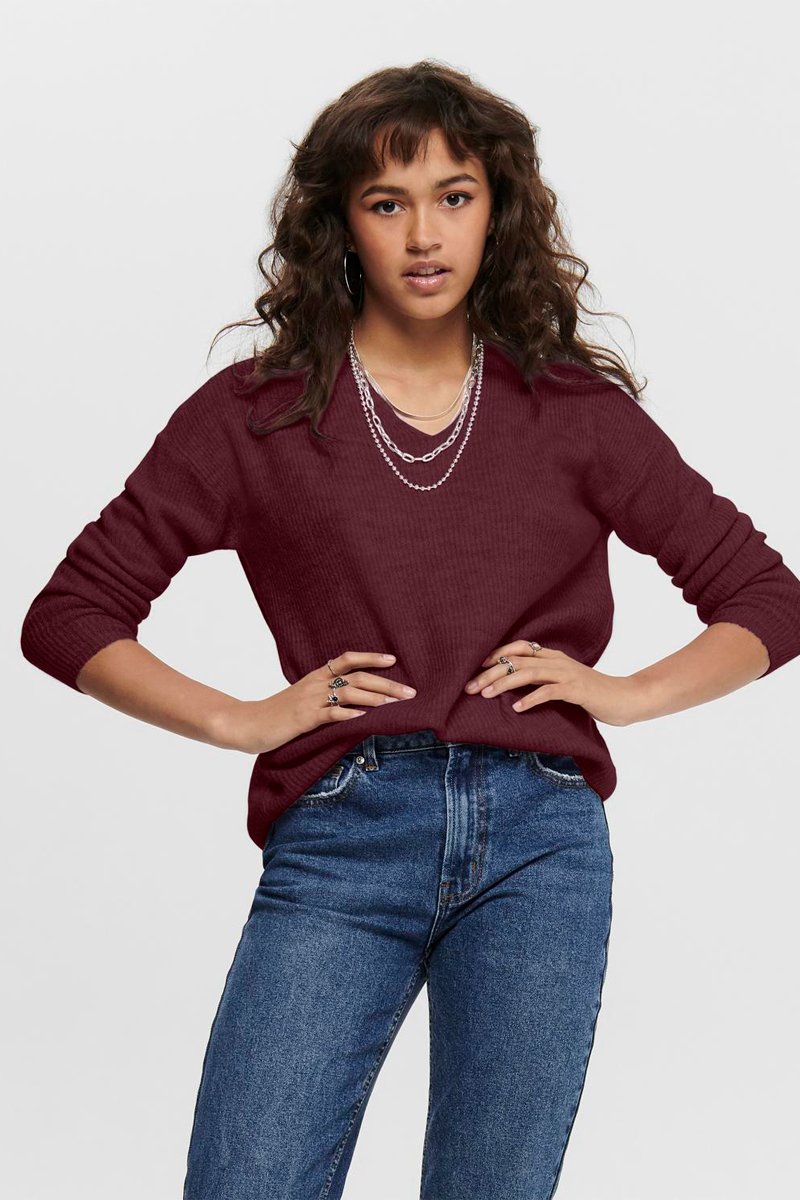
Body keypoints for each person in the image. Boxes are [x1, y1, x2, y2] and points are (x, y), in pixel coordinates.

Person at [19, 60, 800, 1200]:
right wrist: (242, 720)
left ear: (497, 211)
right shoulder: (257, 415)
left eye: (454, 196)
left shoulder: (573, 411)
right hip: (342, 831)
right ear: (341, 222)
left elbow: (765, 599)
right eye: (387, 203)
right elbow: (69, 614)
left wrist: (622, 693)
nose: (424, 235)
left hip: (540, 839)